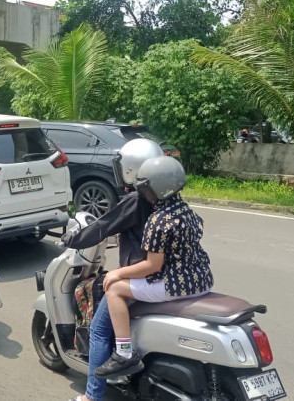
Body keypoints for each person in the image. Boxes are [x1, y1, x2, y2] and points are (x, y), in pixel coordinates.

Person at [93, 156, 214, 379]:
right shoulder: (188, 212)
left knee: (114, 289)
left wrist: (116, 272)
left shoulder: (158, 219)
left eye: (145, 187)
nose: (142, 192)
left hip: (175, 285)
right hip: (202, 281)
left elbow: (152, 265)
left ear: (155, 188)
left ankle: (123, 353)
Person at [64, 139, 163, 401]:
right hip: (168, 275)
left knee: (98, 330)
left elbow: (102, 227)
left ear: (131, 168)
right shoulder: (168, 196)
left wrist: (70, 240)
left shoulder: (136, 200)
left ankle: (92, 396)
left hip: (140, 274)